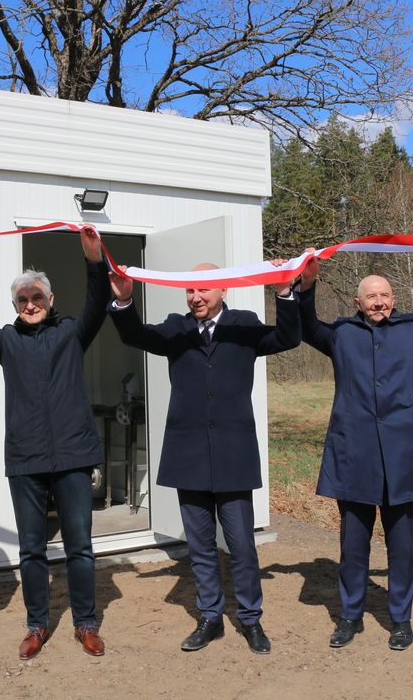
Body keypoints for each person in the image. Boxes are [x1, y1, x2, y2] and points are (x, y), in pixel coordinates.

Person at [108, 261, 300, 654]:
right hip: (188, 455)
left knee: (242, 545)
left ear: (224, 291)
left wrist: (284, 291)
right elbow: (134, 334)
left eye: (204, 290)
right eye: (190, 291)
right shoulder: (175, 329)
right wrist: (125, 298)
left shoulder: (243, 326)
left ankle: (251, 619)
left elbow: (288, 336)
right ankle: (210, 617)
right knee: (199, 546)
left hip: (233, 455)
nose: (195, 297)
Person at [298, 248, 413, 651]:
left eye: (385, 295)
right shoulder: (340, 335)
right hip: (354, 455)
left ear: (393, 301)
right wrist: (306, 282)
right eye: (370, 296)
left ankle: (401, 619)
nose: (378, 301)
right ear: (357, 303)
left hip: (403, 456)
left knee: (402, 544)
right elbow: (306, 326)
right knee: (352, 545)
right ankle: (350, 616)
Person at [0, 227, 110, 659]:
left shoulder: (72, 335)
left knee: (79, 546)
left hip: (74, 457)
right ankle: (37, 624)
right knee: (32, 550)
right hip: (25, 459)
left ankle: (85, 623)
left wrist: (94, 261)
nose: (30, 304)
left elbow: (98, 305)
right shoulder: (7, 342)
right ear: (16, 306)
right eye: (23, 300)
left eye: (37, 296)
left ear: (50, 300)